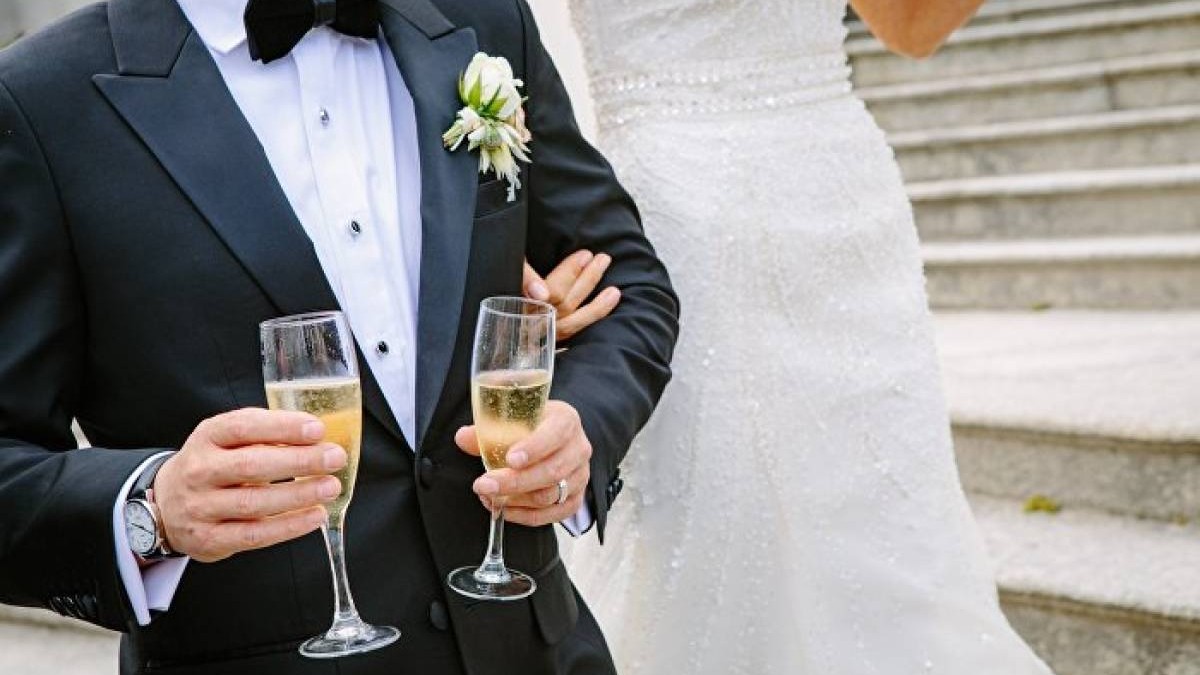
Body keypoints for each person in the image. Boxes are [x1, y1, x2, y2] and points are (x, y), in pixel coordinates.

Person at [0, 0, 678, 673]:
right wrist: (152, 511)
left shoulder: (483, 17)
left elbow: (629, 283)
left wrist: (580, 427)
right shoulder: (38, 102)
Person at [558, 0, 1056, 672]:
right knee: (716, 519)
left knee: (885, 524)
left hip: (842, 209)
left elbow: (909, 27)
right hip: (683, 216)